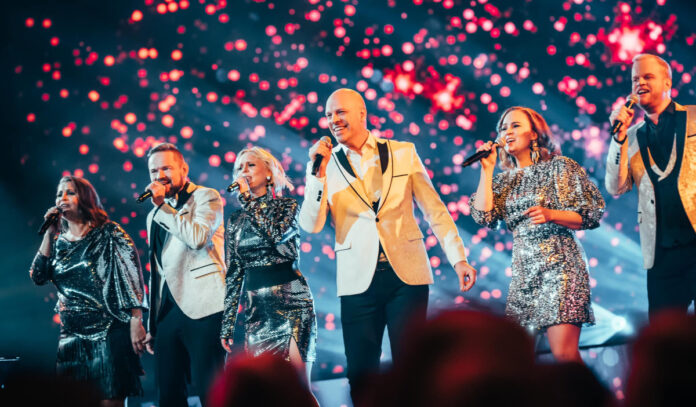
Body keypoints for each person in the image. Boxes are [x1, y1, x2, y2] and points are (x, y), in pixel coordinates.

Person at [299, 88, 477, 401]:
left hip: (406, 277)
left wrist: (458, 258)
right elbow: (311, 225)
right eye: (328, 115)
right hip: (357, 282)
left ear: (361, 114)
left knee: (412, 368)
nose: (333, 120)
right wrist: (317, 175)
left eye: (339, 112)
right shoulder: (326, 166)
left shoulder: (402, 151)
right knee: (361, 373)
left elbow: (434, 209)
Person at [471, 106, 605, 362]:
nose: (506, 132)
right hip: (524, 274)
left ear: (534, 134)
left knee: (564, 354)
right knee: (515, 361)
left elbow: (589, 213)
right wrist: (486, 170)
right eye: (502, 128)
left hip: (561, 269)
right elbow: (484, 216)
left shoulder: (559, 168)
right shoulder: (502, 181)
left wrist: (551, 214)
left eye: (515, 125)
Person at [29, 176, 146, 406]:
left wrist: (136, 318)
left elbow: (132, 274)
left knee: (108, 401)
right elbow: (38, 276)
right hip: (71, 337)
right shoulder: (58, 242)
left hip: (108, 333)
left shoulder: (108, 233)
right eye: (58, 193)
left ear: (85, 198)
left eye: (69, 192)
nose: (62, 198)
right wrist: (48, 235)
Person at [605, 53, 696, 318]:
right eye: (635, 79)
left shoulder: (693, 117)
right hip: (661, 254)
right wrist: (618, 139)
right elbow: (615, 186)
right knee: (666, 337)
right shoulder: (630, 136)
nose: (640, 83)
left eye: (647, 77)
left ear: (667, 83)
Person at [220, 147, 317, 388]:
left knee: (297, 387)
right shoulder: (234, 221)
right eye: (239, 168)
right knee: (266, 391)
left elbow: (276, 234)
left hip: (291, 302)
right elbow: (234, 273)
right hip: (257, 312)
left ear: (269, 174)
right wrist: (227, 324)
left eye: (250, 165)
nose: (243, 171)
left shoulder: (287, 207)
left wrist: (248, 200)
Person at [142, 143, 226, 407]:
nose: (160, 175)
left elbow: (198, 238)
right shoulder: (153, 215)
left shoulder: (206, 196)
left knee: (210, 389)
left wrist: (163, 209)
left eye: (166, 168)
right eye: (154, 171)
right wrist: (152, 323)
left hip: (204, 305)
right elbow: (158, 270)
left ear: (183, 169)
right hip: (167, 312)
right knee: (167, 395)